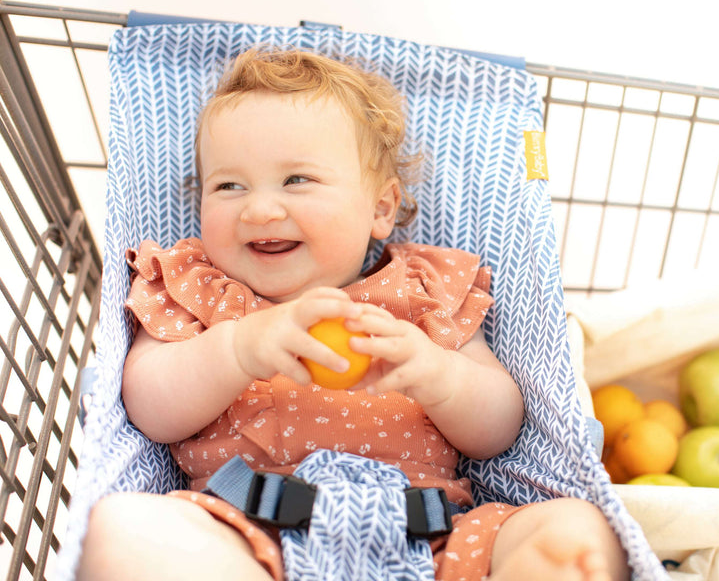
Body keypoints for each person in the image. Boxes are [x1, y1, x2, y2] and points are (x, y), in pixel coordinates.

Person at [78, 47, 628, 581]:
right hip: (245, 531)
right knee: (121, 529)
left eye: (297, 180)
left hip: (430, 539)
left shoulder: (422, 291)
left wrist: (439, 377)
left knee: (575, 530)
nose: (260, 208)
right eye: (228, 185)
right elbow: (148, 407)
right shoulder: (201, 291)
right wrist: (237, 349)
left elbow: (500, 426)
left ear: (382, 208)